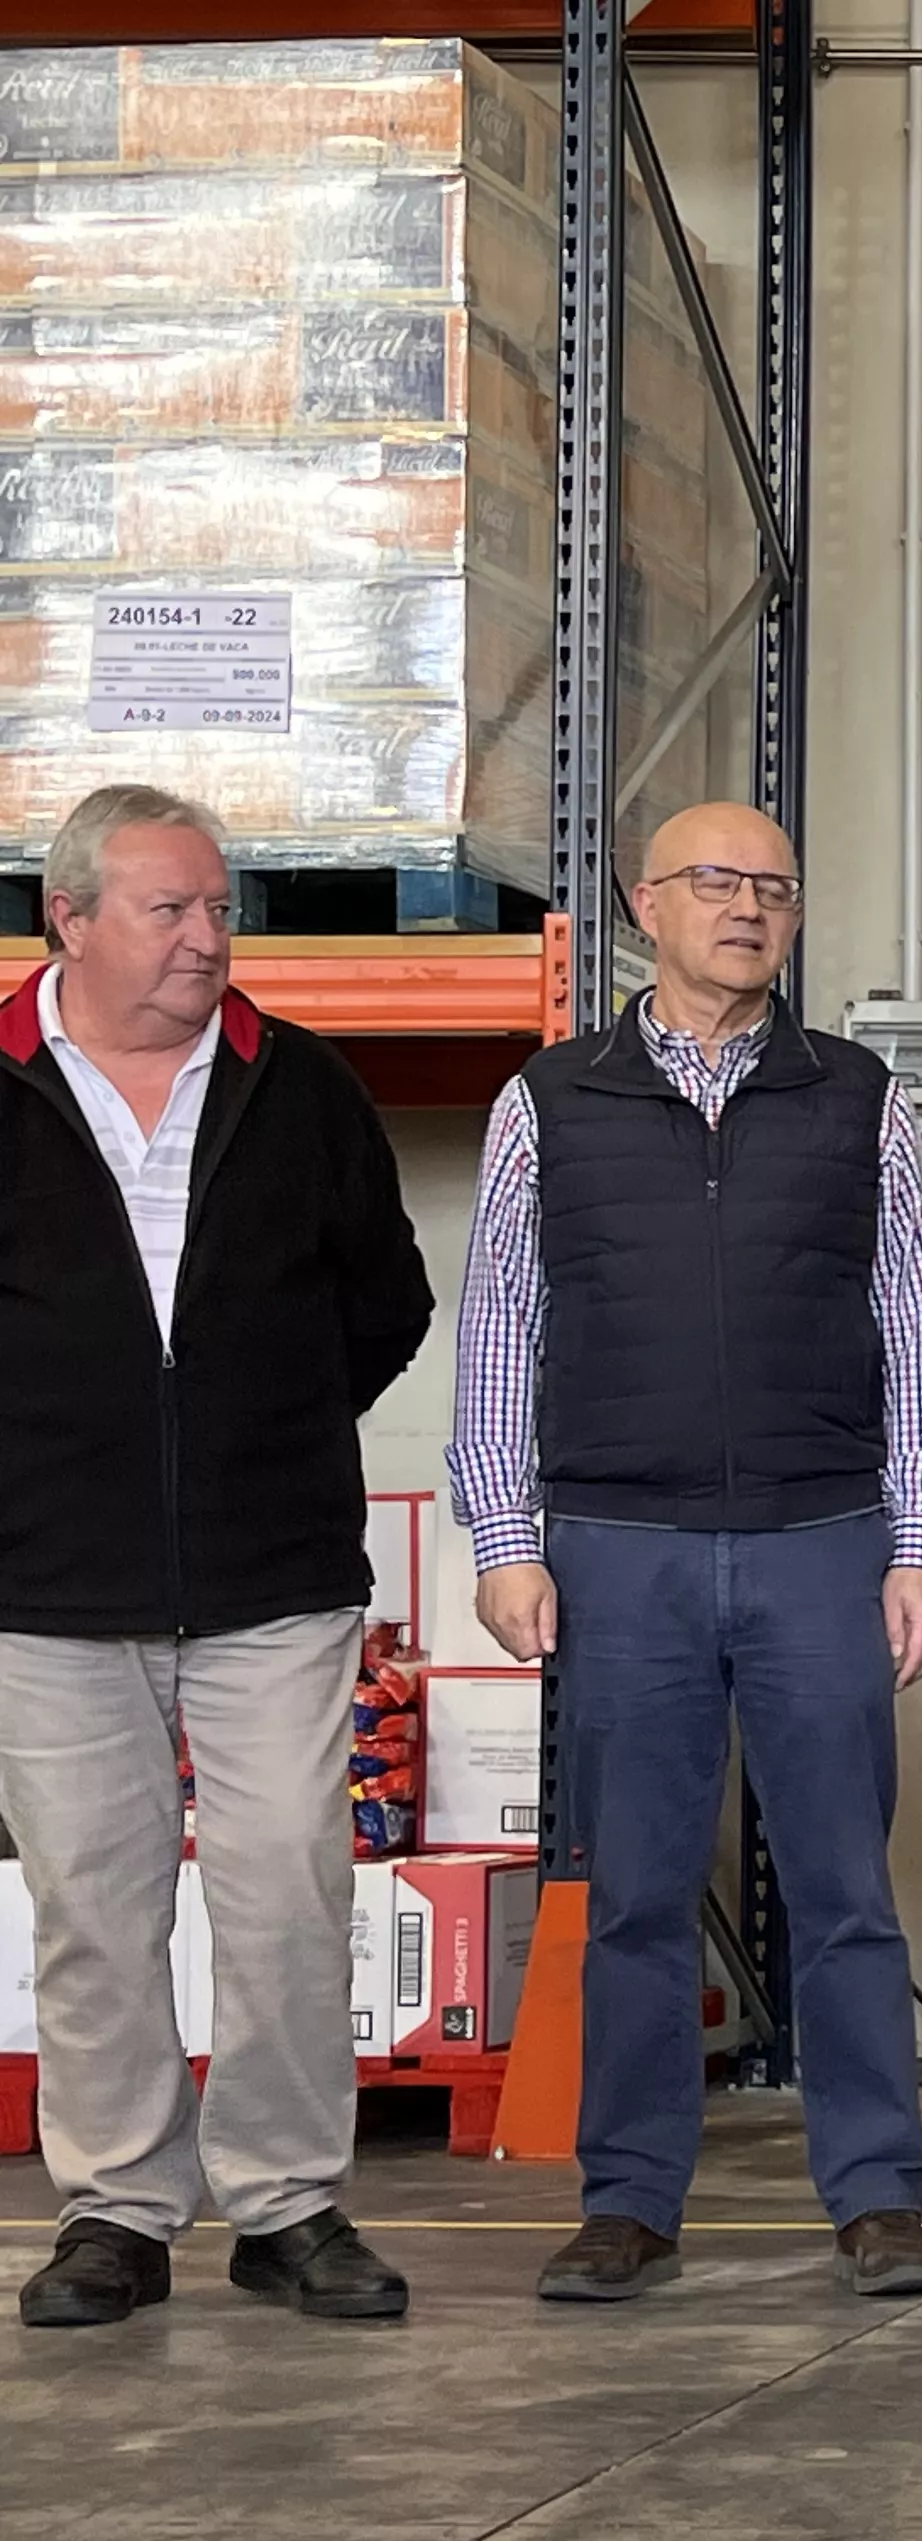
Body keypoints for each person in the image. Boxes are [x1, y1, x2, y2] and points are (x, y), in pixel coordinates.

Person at [451, 801, 922, 2306]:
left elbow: (912, 1336)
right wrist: (504, 1536)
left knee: (846, 1891)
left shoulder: (856, 1097)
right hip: (622, 1546)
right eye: (718, 883)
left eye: (775, 889)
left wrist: (916, 1545)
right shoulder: (552, 1101)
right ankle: (631, 2199)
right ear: (647, 906)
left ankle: (877, 2197)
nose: (749, 908)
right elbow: (498, 1330)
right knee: (636, 1895)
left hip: (821, 1542)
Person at [1, 786, 431, 2328]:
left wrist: (265, 1435)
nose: (207, 938)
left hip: (274, 1577)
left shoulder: (300, 1087)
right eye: (169, 910)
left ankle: (289, 2203)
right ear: (70, 918)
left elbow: (387, 1302)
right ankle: (117, 2208)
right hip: (47, 1587)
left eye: (217, 907)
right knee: (96, 1909)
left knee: (286, 1896)